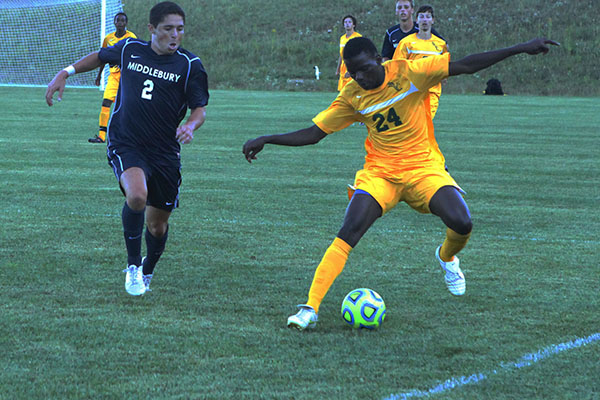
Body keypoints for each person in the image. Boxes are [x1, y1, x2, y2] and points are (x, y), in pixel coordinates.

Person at [243, 36, 558, 330]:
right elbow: (314, 134)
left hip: (424, 169)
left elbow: (466, 64)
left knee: (462, 222)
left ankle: (446, 257)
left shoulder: (411, 73)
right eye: (354, 74)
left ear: (379, 60)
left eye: (365, 70)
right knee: (348, 230)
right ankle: (309, 309)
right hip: (381, 174)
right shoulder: (351, 97)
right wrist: (268, 139)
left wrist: (520, 48)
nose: (361, 79)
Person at [46, 1, 209, 296]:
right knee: (136, 195)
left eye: (180, 29)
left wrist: (191, 125)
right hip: (126, 141)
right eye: (168, 29)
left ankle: (148, 268)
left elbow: (200, 108)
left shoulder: (190, 65)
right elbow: (100, 56)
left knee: (157, 226)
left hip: (164, 153)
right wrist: (65, 72)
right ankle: (133, 266)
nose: (175, 35)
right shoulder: (130, 49)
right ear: (152, 29)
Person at [89, 12, 137, 144]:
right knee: (106, 103)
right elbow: (103, 58)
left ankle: (129, 136)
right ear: (114, 23)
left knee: (126, 106)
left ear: (126, 23)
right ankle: (101, 136)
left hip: (127, 77)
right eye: (118, 21)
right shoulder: (108, 39)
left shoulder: (131, 37)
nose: (120, 23)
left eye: (123, 21)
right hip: (113, 77)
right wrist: (99, 76)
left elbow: (136, 57)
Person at [393, 5, 448, 118]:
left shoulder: (440, 44)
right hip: (411, 92)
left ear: (433, 20)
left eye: (428, 17)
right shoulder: (406, 43)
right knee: (411, 125)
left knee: (425, 123)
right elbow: (396, 67)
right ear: (416, 20)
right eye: (421, 17)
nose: (424, 20)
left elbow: (444, 66)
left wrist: (443, 76)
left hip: (432, 92)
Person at [336, 15, 362, 91]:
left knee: (352, 92)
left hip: (353, 69)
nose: (347, 24)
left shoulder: (358, 37)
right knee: (342, 93)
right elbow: (341, 55)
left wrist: (352, 70)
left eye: (349, 22)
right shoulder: (342, 38)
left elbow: (359, 56)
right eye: (345, 22)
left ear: (353, 25)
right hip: (343, 70)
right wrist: (338, 69)